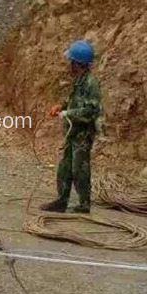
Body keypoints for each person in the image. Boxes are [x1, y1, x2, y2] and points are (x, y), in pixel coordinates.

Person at [41, 39, 102, 214]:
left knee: (80, 168)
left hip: (83, 134)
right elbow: (73, 99)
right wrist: (61, 106)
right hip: (72, 132)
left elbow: (91, 111)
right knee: (65, 167)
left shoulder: (91, 83)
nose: (69, 65)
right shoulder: (79, 81)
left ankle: (84, 204)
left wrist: (69, 114)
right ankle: (62, 200)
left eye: (71, 62)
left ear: (78, 63)